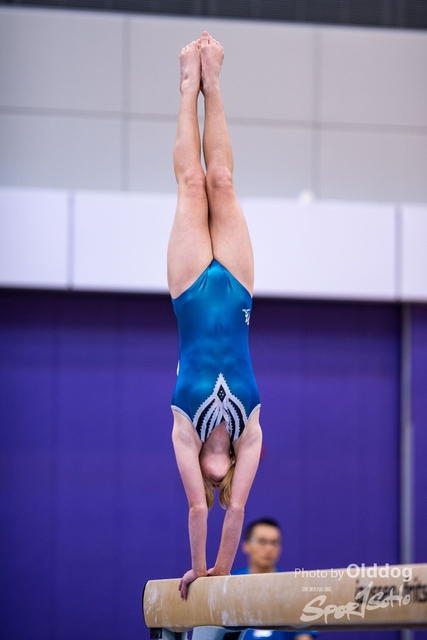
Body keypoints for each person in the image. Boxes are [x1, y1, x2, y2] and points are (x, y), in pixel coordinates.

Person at [168, 32, 263, 600]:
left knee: (192, 184)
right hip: (238, 288)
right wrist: (222, 574)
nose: (214, 476)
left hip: (190, 293)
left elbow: (198, 511)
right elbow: (237, 511)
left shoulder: (183, 428)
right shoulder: (251, 432)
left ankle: (189, 84)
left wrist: (199, 571)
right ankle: (214, 80)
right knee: (222, 181)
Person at [233, 519, 318, 640]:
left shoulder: (294, 587)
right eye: (262, 541)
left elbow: (304, 636)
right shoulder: (231, 585)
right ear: (246, 545)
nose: (269, 548)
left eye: (274, 543)